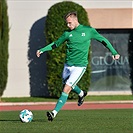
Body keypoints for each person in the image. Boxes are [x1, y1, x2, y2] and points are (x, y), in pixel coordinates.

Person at [36, 11, 120, 121]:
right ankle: (81, 93)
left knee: (66, 88)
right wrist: (42, 50)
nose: (68, 25)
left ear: (75, 20)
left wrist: (114, 52)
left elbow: (103, 40)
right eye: (67, 23)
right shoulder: (67, 34)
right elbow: (55, 44)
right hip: (67, 66)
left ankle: (53, 113)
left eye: (69, 23)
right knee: (66, 85)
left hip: (80, 67)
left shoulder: (89, 31)